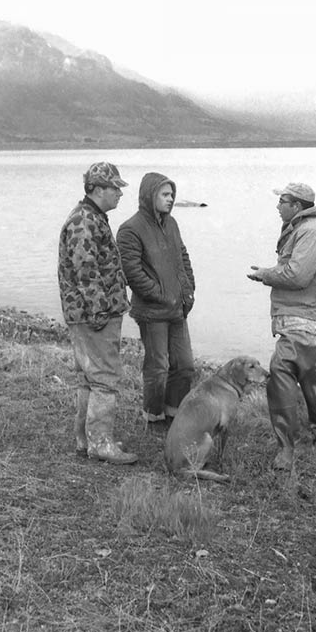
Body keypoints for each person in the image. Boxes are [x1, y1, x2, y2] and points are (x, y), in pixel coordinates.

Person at [247, 181, 316, 469]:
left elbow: (297, 276)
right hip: (311, 315)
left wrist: (266, 274)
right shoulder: (307, 228)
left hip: (308, 317)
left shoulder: (312, 231)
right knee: (313, 377)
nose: (277, 206)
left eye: (282, 201)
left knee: (280, 371)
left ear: (297, 206)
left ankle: (286, 448)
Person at [58, 161, 137, 465]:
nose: (119, 193)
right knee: (103, 378)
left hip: (89, 314)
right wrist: (100, 310)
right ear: (96, 189)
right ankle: (100, 443)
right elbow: (86, 271)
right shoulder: (84, 221)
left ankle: (85, 439)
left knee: (88, 379)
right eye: (114, 187)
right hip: (95, 316)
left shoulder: (91, 217)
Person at [117, 172, 196, 430]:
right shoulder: (130, 229)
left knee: (184, 365)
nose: (171, 199)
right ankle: (154, 417)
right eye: (165, 194)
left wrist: (188, 290)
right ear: (150, 196)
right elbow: (132, 273)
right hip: (152, 312)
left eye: (172, 194)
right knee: (158, 368)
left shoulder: (171, 224)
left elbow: (183, 257)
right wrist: (161, 295)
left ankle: (175, 413)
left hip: (177, 308)